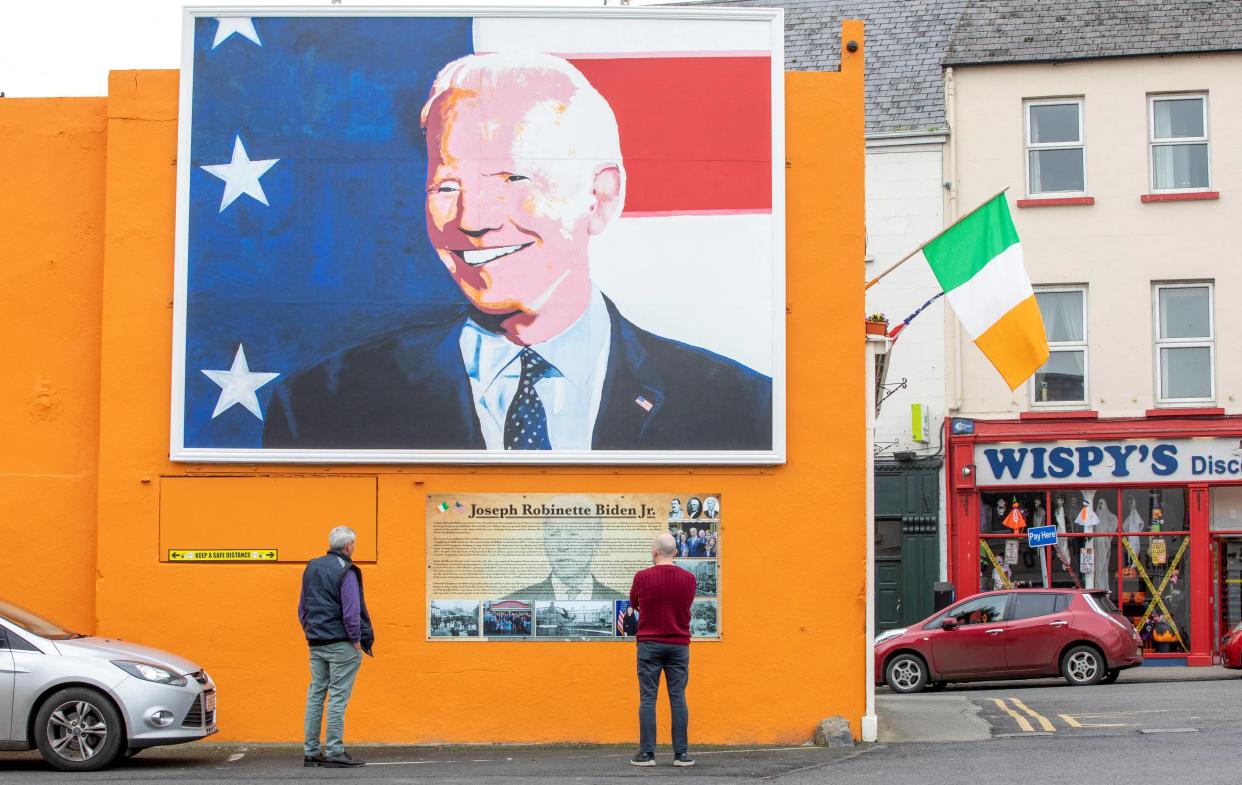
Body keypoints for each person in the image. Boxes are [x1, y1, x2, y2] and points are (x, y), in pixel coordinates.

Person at [262, 52, 771, 452]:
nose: (473, 218)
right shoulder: (321, 405)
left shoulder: (742, 406)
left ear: (601, 197)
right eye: (446, 186)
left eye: (512, 179)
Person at [298, 526, 374, 768]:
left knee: (316, 695)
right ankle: (334, 751)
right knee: (338, 698)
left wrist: (310, 632)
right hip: (341, 643)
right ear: (349, 545)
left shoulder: (312, 566)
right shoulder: (347, 571)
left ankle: (311, 752)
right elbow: (352, 611)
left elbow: (302, 607)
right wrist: (355, 640)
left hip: (316, 641)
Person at [628, 532, 696, 767]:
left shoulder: (642, 577)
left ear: (654, 552)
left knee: (648, 698)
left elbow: (634, 603)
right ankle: (681, 755)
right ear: (675, 553)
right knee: (678, 699)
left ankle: (647, 754)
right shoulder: (689, 578)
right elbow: (686, 604)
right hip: (679, 645)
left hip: (649, 644)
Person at [505, 499, 625, 600]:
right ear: (545, 543)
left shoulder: (624, 602)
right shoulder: (515, 600)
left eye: (573, 534)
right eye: (553, 534)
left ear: (596, 542)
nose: (562, 546)